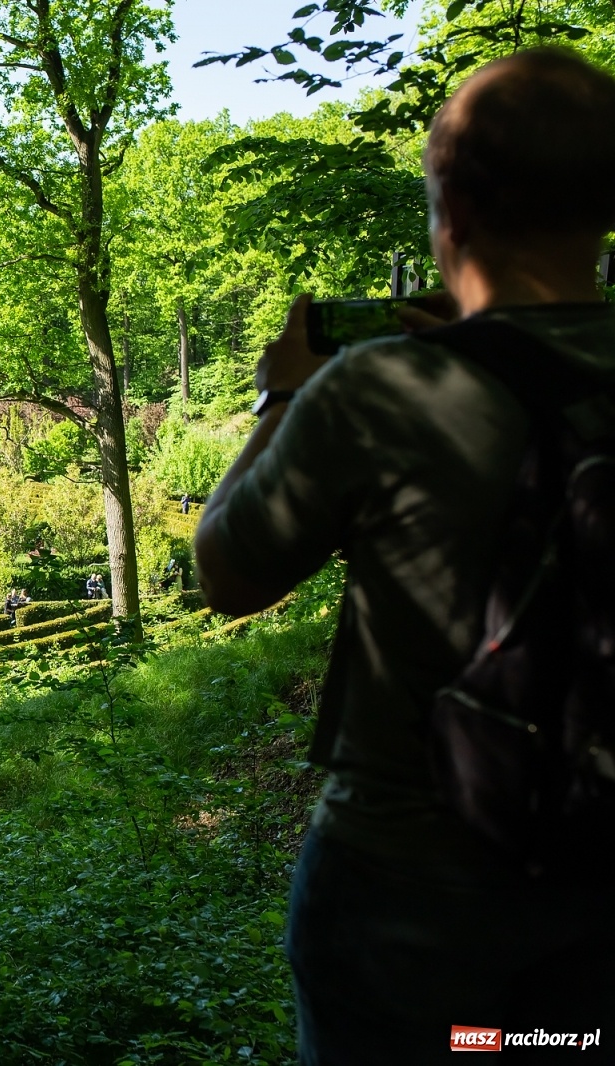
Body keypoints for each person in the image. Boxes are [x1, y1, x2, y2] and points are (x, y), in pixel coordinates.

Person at [191, 49, 615, 1062]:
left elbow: (227, 574)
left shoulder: (381, 388)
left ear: (452, 212)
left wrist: (284, 394)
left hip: (411, 891)